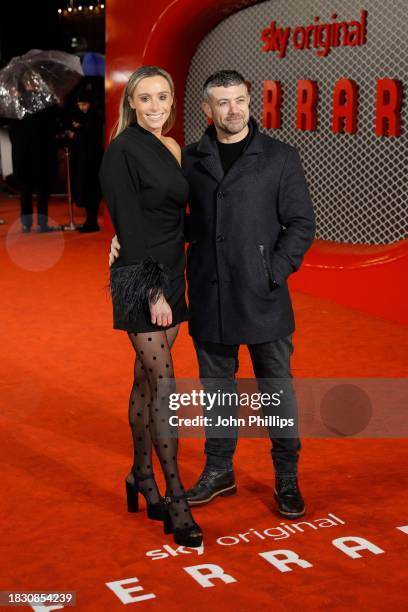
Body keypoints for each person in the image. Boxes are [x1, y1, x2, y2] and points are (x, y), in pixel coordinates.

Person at [110, 69, 315, 519]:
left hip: (263, 295)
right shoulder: (189, 158)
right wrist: (127, 236)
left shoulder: (280, 157)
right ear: (207, 109)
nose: (232, 110)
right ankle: (220, 469)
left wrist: (273, 271)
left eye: (239, 100)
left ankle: (287, 475)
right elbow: (169, 215)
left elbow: (301, 224)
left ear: (249, 101)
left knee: (276, 391)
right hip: (208, 293)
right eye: (221, 102)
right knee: (217, 390)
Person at [99, 66, 202, 547]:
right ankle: (174, 497)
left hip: (171, 273)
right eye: (146, 98)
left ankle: (139, 475)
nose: (156, 105)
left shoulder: (174, 147)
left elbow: (173, 216)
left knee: (144, 381)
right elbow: (129, 221)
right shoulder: (120, 151)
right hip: (141, 280)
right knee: (164, 382)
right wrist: (153, 292)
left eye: (163, 96)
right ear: (132, 104)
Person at [9, 82, 58, 232]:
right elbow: (52, 127)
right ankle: (42, 224)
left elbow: (12, 131)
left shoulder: (16, 105)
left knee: (25, 190)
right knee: (42, 190)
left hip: (23, 155)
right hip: (41, 153)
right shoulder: (44, 102)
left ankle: (26, 224)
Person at [67, 92, 103, 233]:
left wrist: (75, 133)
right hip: (86, 159)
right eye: (80, 105)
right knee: (88, 190)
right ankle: (90, 221)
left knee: (90, 190)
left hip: (91, 160)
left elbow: (88, 137)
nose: (82, 107)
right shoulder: (86, 117)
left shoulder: (94, 117)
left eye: (84, 104)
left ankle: (92, 222)